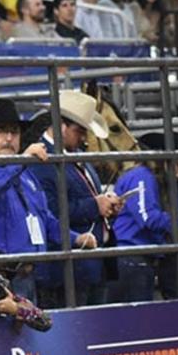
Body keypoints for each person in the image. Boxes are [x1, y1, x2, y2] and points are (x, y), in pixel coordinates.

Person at [0, 99, 97, 306]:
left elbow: (44, 220)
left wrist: (75, 238)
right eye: (1, 131)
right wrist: (21, 161)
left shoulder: (24, 173)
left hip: (22, 276)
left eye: (14, 132)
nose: (9, 138)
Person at [28, 90, 120, 307]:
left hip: (88, 265)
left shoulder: (73, 157)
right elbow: (49, 212)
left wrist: (105, 205)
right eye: (79, 131)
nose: (83, 138)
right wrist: (95, 205)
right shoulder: (40, 162)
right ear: (62, 127)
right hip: (67, 270)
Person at [109, 131, 178, 303]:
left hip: (137, 257)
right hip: (131, 256)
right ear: (163, 161)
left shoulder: (146, 177)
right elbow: (149, 217)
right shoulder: (142, 176)